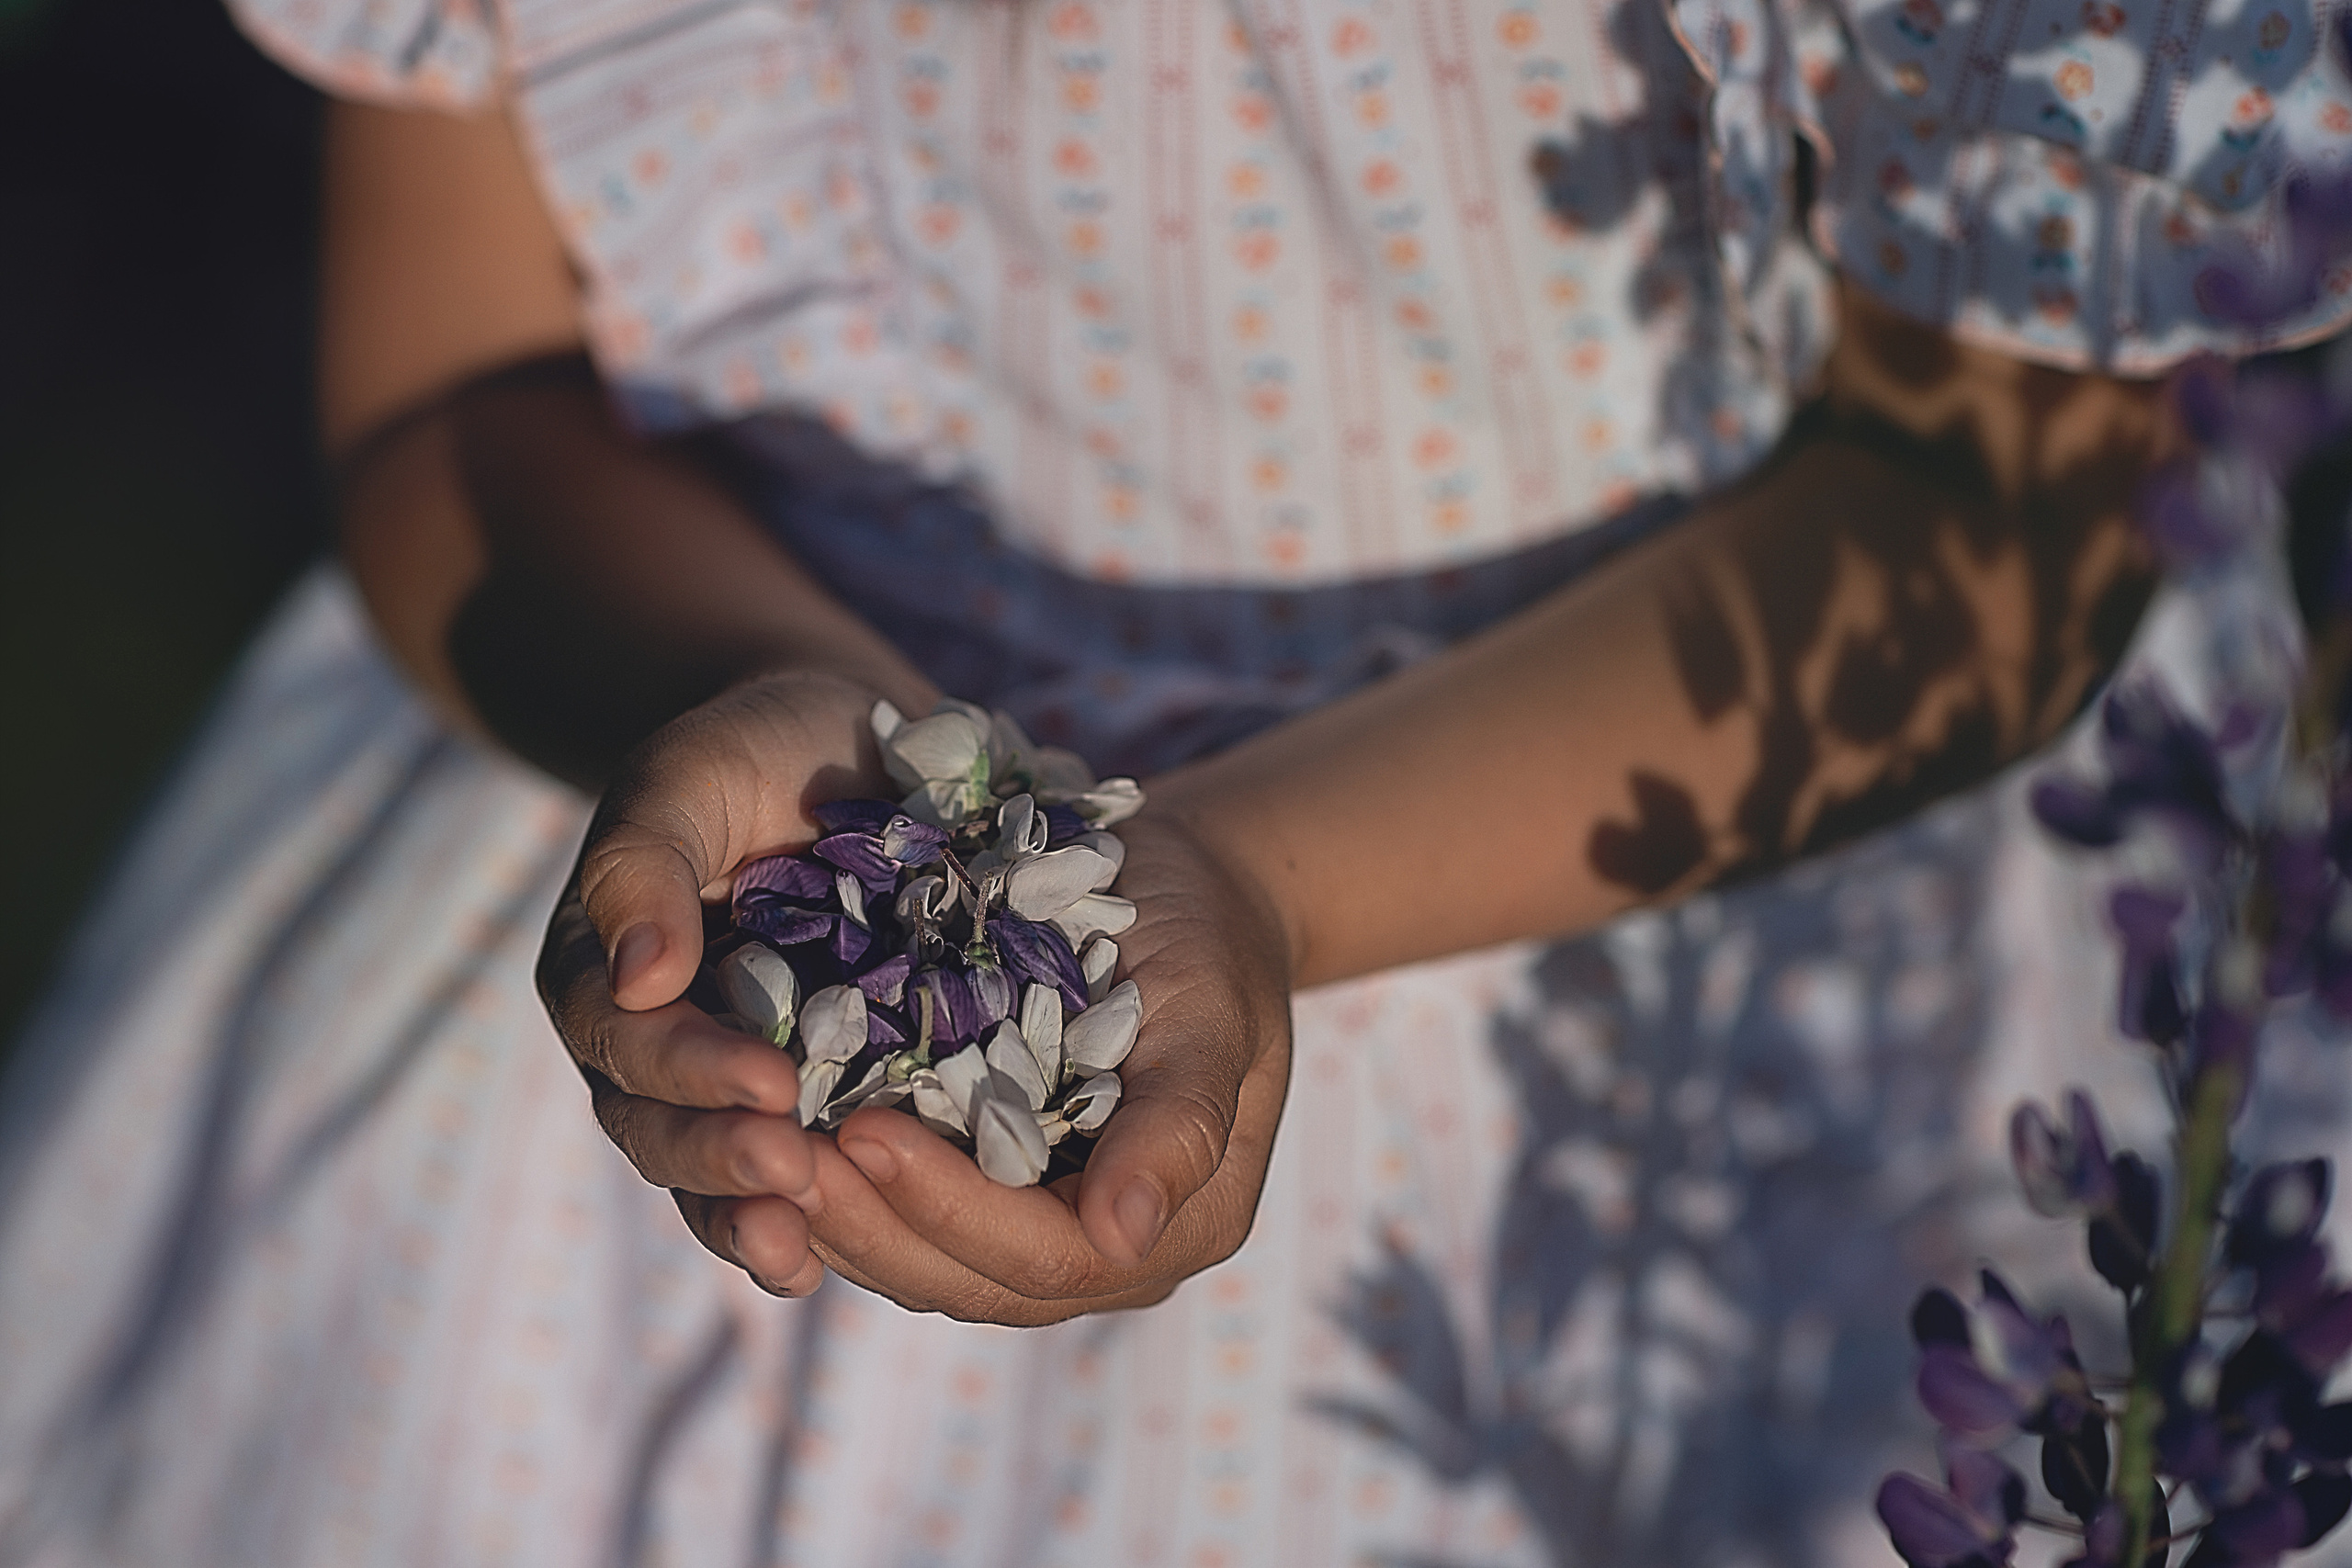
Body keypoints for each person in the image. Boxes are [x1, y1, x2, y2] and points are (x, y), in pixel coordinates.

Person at [3, 0, 2348, 1559]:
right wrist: (834, 754)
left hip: (1664, 963)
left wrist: (1248, 875)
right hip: (725, 844)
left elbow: (1991, 522)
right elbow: (456, 399)